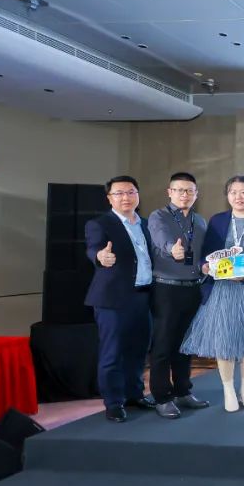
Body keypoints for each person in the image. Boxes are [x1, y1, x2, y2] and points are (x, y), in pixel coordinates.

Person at [181, 176, 244, 411]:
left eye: (243, 192)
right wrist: (205, 266)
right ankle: (228, 389)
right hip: (222, 289)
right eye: (233, 192)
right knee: (224, 340)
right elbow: (207, 253)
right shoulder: (218, 220)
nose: (238, 197)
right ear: (227, 196)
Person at [84, 176, 155, 423]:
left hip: (143, 296)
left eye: (131, 192)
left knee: (138, 350)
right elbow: (93, 248)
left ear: (138, 195)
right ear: (109, 198)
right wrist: (100, 256)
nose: (126, 197)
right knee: (112, 353)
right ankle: (113, 403)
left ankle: (134, 394)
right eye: (119, 193)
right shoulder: (100, 224)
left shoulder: (147, 224)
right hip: (112, 300)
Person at [146, 172, 210, 419]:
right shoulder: (159, 216)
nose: (185, 195)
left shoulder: (199, 220)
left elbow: (203, 253)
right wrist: (172, 249)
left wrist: (206, 265)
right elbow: (161, 240)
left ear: (196, 194)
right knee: (163, 345)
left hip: (193, 288)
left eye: (190, 191)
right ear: (169, 192)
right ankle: (162, 397)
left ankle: (183, 391)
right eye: (180, 190)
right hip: (166, 289)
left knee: (186, 345)